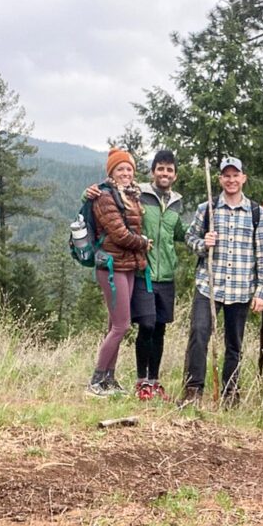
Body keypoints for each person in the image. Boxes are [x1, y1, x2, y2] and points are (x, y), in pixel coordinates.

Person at [88, 150, 186, 401]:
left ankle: (133, 380)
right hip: (133, 268)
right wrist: (142, 243)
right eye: (160, 169)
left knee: (141, 326)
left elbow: (179, 232)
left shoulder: (169, 200)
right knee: (138, 325)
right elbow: (119, 231)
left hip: (140, 267)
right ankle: (110, 380)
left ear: (174, 174)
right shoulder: (131, 193)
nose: (165, 173)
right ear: (152, 171)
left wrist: (204, 233)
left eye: (169, 169)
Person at [182, 156, 263, 407]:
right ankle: (193, 389)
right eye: (226, 175)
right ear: (220, 179)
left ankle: (230, 393)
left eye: (236, 175)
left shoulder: (256, 213)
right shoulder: (207, 209)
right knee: (199, 334)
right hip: (209, 285)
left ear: (243, 178)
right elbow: (190, 237)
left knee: (235, 343)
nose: (231, 180)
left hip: (241, 289)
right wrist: (203, 244)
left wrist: (262, 291)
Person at [87, 148, 152, 397]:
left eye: (129, 169)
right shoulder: (105, 196)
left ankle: (109, 379)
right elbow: (119, 235)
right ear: (111, 172)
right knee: (122, 326)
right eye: (120, 169)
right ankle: (96, 380)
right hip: (112, 266)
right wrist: (144, 243)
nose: (125, 173)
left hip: (127, 266)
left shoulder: (131, 195)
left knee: (115, 324)